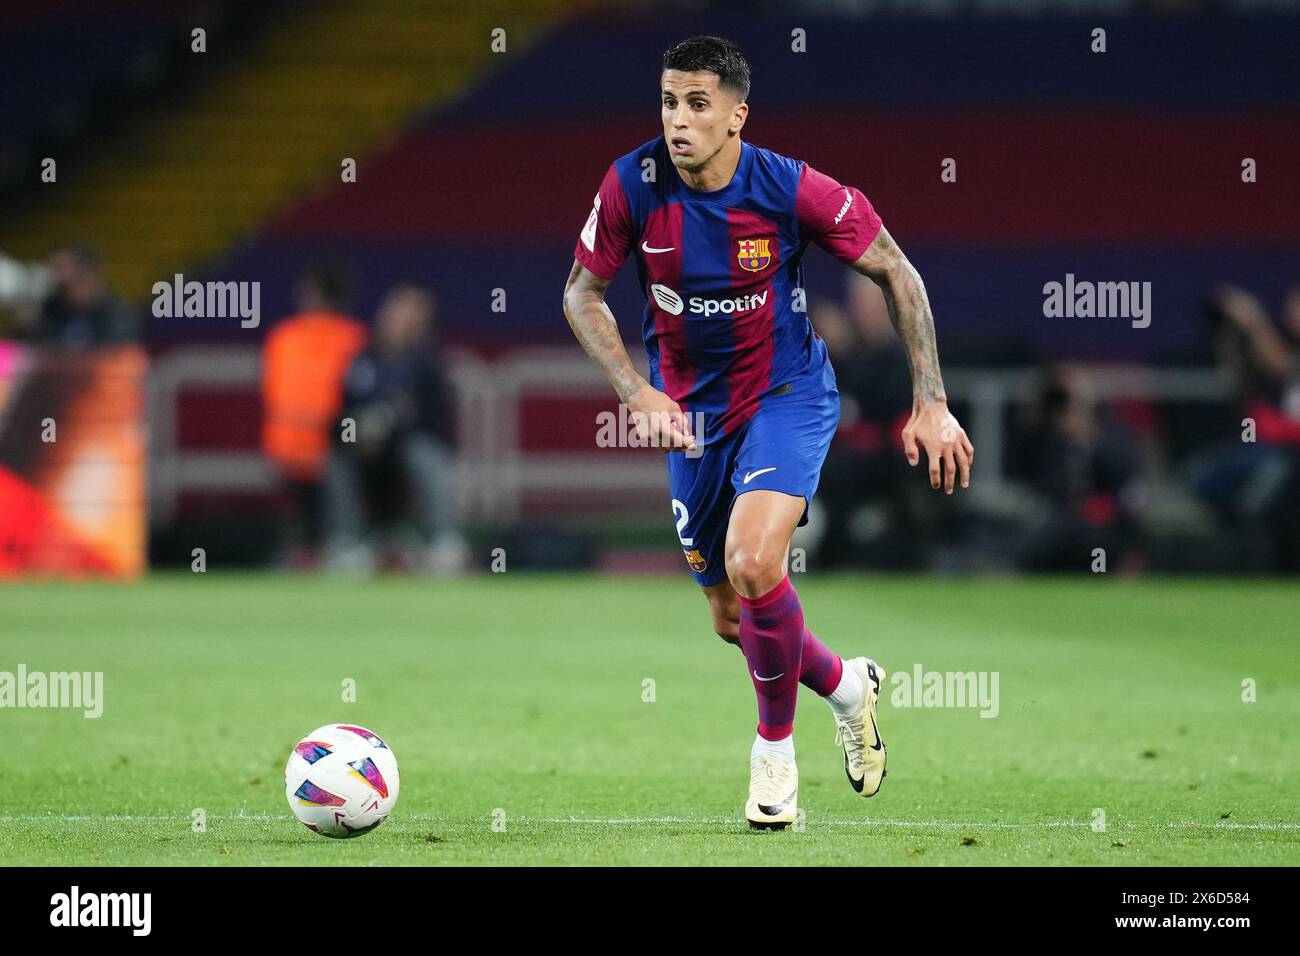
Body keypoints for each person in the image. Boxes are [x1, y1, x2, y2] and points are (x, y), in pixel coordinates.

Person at [561, 36, 973, 829]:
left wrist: (931, 399)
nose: (678, 121)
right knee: (731, 616)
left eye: (697, 104)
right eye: (668, 102)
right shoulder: (631, 184)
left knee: (754, 562)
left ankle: (774, 761)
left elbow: (896, 268)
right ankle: (849, 688)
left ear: (736, 116)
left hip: (786, 396)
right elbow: (583, 293)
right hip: (693, 417)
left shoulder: (789, 187)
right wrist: (635, 388)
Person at [322, 284, 466, 575]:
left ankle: (443, 543)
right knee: (335, 458)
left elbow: (433, 422)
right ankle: (345, 545)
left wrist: (388, 428)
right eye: (396, 311)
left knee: (426, 454)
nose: (400, 319)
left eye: (411, 314)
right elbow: (338, 418)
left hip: (408, 451)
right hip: (365, 454)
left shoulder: (429, 365)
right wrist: (358, 432)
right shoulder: (362, 359)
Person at [261, 264, 367, 565]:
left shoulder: (284, 336)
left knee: (304, 509)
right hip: (323, 447)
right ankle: (340, 546)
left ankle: (306, 551)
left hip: (289, 446)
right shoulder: (353, 338)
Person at [28, 243, 137, 347]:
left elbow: (122, 359)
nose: (59, 278)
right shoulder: (48, 311)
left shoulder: (120, 316)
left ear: (93, 275)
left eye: (77, 279)